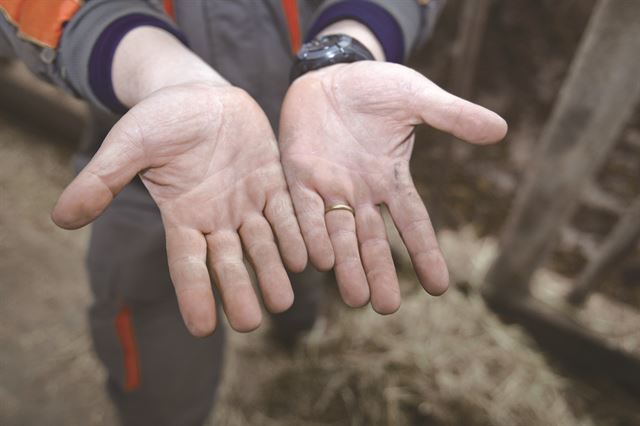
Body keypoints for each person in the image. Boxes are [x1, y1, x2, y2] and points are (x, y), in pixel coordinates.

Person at [0, 0, 507, 424]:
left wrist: (345, 50)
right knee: (159, 354)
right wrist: (166, 79)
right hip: (159, 172)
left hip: (324, 154)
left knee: (312, 255)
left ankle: (300, 329)